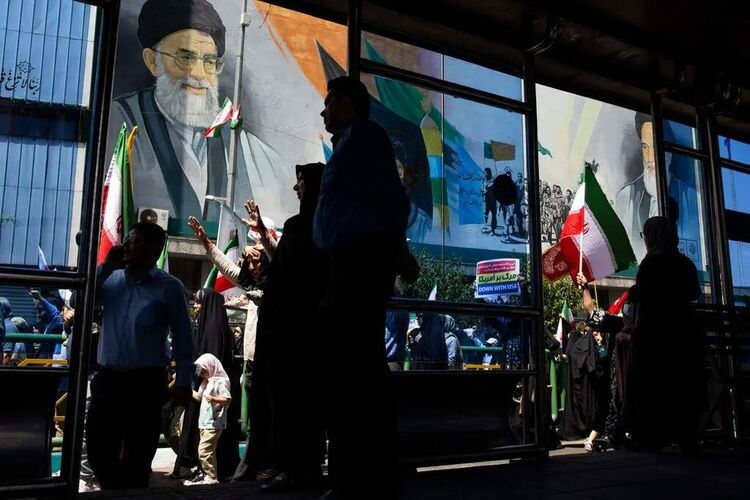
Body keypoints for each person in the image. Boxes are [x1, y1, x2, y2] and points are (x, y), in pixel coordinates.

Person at [108, 0, 293, 223]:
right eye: (185, 58)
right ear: (152, 61)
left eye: (209, 61)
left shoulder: (255, 155)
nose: (198, 74)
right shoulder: (116, 124)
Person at [315, 76, 410, 499]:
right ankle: (362, 476)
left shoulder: (364, 137)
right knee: (353, 371)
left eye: (329, 101)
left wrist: (388, 251)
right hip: (346, 263)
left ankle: (359, 478)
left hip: (357, 264)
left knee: (353, 372)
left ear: (347, 103)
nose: (323, 111)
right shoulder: (348, 143)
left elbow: (391, 199)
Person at [86, 222, 193, 490]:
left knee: (138, 456)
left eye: (133, 241)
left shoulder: (169, 287)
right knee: (98, 449)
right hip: (108, 380)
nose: (125, 246)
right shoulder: (111, 279)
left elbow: (183, 337)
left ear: (154, 249)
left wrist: (183, 381)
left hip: (145, 384)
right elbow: (80, 302)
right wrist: (105, 267)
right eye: (127, 240)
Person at [241, 163, 327, 493]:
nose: (296, 189)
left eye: (301, 182)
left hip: (293, 333)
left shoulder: (305, 228)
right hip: (306, 333)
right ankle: (302, 467)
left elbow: (287, 276)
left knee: (291, 404)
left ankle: (295, 468)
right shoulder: (324, 226)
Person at [627, 216, 703, 451]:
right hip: (685, 333)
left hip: (654, 335)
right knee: (682, 386)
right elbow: (694, 292)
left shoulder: (651, 263)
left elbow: (644, 294)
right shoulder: (685, 263)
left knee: (653, 385)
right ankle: (685, 436)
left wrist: (633, 293)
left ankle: (652, 437)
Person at [184, 353, 232, 486]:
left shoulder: (221, 382)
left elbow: (227, 399)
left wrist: (214, 398)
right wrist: (185, 386)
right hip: (205, 423)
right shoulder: (207, 382)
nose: (201, 375)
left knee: (204, 451)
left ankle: (211, 477)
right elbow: (198, 397)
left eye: (203, 371)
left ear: (211, 367)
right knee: (209, 451)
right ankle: (211, 476)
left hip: (214, 423)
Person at [483, 168, 498, 235]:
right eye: (485, 172)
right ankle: (486, 227)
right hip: (486, 201)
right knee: (485, 214)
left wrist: (487, 190)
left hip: (493, 201)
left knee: (493, 215)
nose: (485, 174)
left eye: (486, 173)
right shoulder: (484, 181)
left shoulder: (493, 181)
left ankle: (493, 230)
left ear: (489, 173)